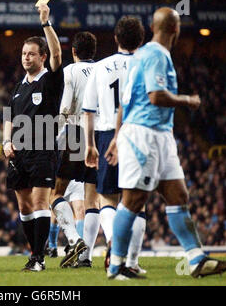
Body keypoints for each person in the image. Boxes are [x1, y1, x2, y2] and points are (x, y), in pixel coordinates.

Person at [106, 7, 226, 280]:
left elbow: (123, 103)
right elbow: (155, 96)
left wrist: (116, 137)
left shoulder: (141, 56)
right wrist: (188, 100)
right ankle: (116, 265)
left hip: (158, 134)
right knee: (133, 200)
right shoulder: (155, 55)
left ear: (154, 27)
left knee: (179, 196)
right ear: (176, 29)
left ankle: (196, 258)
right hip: (145, 134)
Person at [82, 16, 146, 273]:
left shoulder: (101, 66)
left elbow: (88, 110)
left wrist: (90, 145)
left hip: (108, 135)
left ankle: (112, 241)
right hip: (141, 136)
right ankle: (131, 262)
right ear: (141, 40)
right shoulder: (147, 65)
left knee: (107, 197)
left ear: (116, 39)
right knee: (137, 200)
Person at [3, 3, 63, 272]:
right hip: (19, 154)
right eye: (24, 54)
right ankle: (35, 253)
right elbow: (8, 118)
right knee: (24, 206)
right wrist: (6, 141)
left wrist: (45, 23)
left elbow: (59, 54)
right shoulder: (18, 87)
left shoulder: (50, 80)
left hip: (42, 150)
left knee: (40, 203)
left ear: (42, 57)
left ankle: (38, 258)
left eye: (31, 54)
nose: (26, 58)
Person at [49, 31, 98, 268]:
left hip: (76, 135)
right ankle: (86, 258)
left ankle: (74, 240)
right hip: (101, 135)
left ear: (74, 51)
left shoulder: (70, 71)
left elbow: (66, 109)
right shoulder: (103, 70)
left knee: (55, 194)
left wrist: (54, 135)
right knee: (93, 202)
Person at [46, 180, 85, 258]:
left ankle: (78, 246)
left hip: (75, 179)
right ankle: (52, 246)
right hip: (60, 178)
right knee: (55, 215)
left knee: (80, 210)